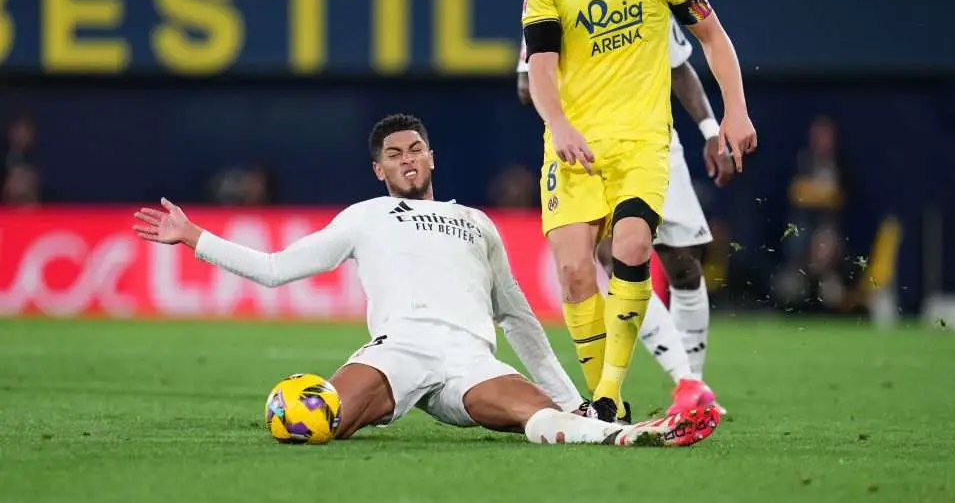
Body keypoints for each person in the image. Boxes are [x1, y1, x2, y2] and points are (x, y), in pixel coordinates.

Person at [131, 113, 722, 447]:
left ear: (432, 157)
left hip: (470, 357)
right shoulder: (364, 216)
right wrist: (194, 237)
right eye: (395, 153)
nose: (408, 158)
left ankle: (626, 435)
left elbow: (518, 319)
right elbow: (276, 269)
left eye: (416, 149)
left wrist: (574, 397)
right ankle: (605, 426)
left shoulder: (477, 222)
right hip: (399, 349)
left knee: (542, 419)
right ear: (379, 168)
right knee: (323, 422)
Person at [522, 0, 756, 422]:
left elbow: (712, 39)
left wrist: (734, 112)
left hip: (643, 144)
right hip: (572, 147)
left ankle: (611, 394)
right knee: (576, 273)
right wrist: (560, 124)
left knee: (632, 247)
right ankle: (606, 393)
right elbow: (540, 71)